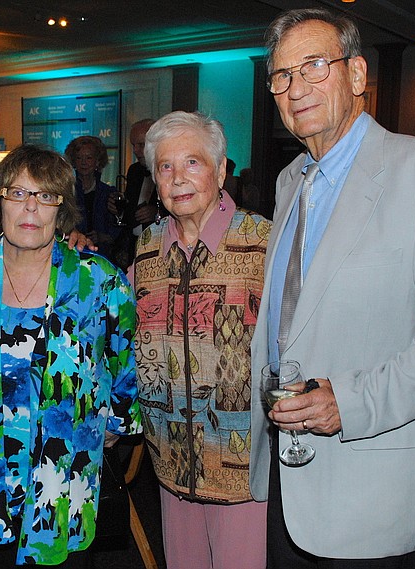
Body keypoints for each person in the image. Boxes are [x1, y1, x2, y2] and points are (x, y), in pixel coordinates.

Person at [248, 8, 415, 568]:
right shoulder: (290, 181)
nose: (296, 88)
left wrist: (350, 403)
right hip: (290, 474)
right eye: (282, 76)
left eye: (315, 65)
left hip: (375, 486)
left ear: (357, 74)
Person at [0, 143, 142, 567]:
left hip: (64, 485)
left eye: (45, 196)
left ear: (61, 209)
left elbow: (124, 363)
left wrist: (112, 424)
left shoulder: (99, 281)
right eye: (18, 193)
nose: (30, 208)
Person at [132, 111, 272, 569]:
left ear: (222, 169)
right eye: (165, 167)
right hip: (170, 459)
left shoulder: (264, 243)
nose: (178, 178)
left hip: (242, 468)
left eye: (192, 162)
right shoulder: (147, 248)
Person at [108, 119, 168, 269]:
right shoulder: (134, 171)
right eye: (133, 145)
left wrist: (158, 213)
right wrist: (118, 210)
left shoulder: (169, 170)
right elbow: (131, 211)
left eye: (141, 145)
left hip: (162, 246)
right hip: (134, 248)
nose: (135, 150)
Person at [64, 135, 121, 258]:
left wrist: (102, 237)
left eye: (89, 158)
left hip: (103, 256)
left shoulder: (109, 193)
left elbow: (119, 229)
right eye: (79, 158)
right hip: (73, 254)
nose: (83, 162)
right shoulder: (67, 192)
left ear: (97, 161)